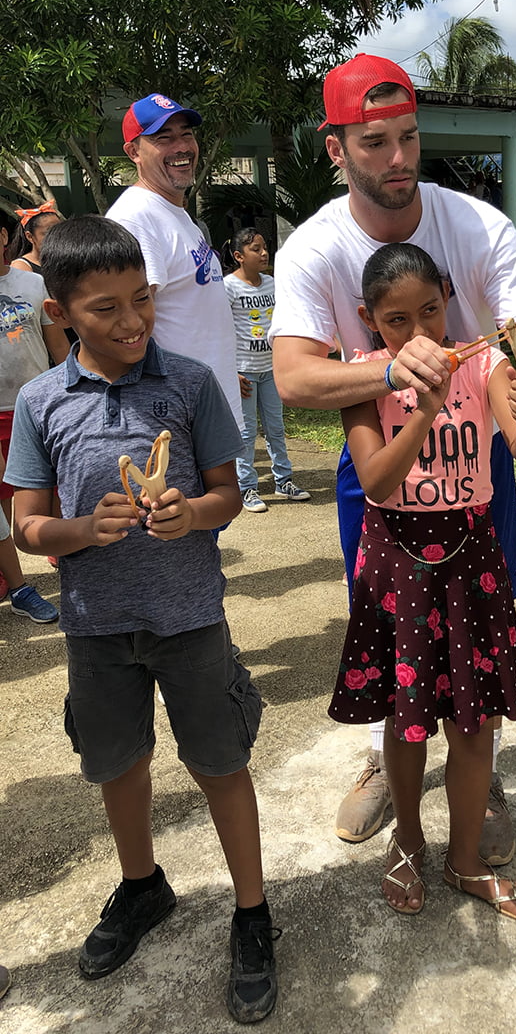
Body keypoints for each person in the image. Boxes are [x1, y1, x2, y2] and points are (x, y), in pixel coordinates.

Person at [270, 52, 516, 860]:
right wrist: (391, 367)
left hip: (477, 452)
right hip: (377, 446)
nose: (398, 158)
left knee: (483, 619)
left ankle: (485, 770)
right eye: (374, 143)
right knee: (389, 628)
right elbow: (296, 377)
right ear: (336, 148)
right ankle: (383, 758)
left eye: (407, 136)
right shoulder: (312, 249)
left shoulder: (478, 225)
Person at [5, 216, 279, 1023]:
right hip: (95, 627)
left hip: (190, 619)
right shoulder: (40, 401)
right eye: (104, 310)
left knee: (220, 761)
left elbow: (228, 492)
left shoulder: (190, 385)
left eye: (140, 302)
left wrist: (191, 514)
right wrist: (83, 530)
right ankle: (140, 885)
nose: (129, 323)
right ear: (59, 313)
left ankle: (253, 912)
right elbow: (26, 524)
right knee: (116, 765)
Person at [329, 242, 516, 920]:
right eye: (398, 321)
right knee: (406, 718)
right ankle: (408, 840)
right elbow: (375, 480)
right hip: (397, 564)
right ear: (370, 319)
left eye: (430, 311)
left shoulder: (482, 362)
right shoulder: (364, 377)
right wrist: (422, 405)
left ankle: (463, 858)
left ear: (449, 298)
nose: (420, 334)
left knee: (474, 719)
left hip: (469, 557)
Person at [106, 93, 242, 430]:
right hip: (172, 418)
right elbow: (126, 324)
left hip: (204, 410)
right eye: (163, 138)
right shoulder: (136, 218)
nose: (180, 146)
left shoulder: (175, 214)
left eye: (186, 134)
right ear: (133, 152)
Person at [0, 210, 67, 621]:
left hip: (35, 407)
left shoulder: (32, 283)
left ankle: (61, 549)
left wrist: (70, 394)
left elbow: (57, 345)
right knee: (3, 498)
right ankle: (17, 584)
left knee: (51, 484)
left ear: (4, 236)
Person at [223, 228, 310, 513]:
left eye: (264, 247)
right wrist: (230, 372)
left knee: (276, 428)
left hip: (271, 370)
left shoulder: (272, 284)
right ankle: (246, 487)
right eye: (256, 249)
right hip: (244, 373)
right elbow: (219, 330)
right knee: (246, 433)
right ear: (238, 256)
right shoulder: (228, 288)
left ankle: (283, 480)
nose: (264, 253)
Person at [9, 202, 62, 273]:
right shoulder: (21, 267)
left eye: (60, 231)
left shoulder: (63, 260)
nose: (56, 237)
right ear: (30, 236)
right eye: (48, 233)